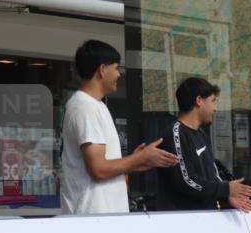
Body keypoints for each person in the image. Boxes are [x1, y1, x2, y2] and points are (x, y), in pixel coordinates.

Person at [61, 40, 178, 214]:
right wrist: (139, 158)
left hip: (102, 216)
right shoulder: (85, 107)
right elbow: (98, 169)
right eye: (116, 68)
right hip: (92, 217)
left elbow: (102, 166)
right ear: (102, 70)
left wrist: (135, 161)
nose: (118, 74)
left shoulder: (95, 105)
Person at [157, 77, 251, 212]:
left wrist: (226, 195)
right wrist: (226, 188)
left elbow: (213, 174)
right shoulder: (175, 133)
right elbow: (186, 181)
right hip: (183, 220)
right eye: (213, 101)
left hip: (206, 216)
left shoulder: (201, 134)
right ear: (199, 101)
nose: (215, 109)